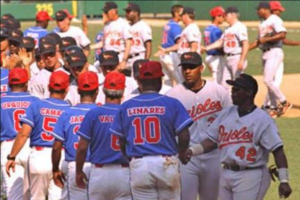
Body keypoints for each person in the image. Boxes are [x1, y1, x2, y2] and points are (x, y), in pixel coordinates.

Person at [186, 73, 292, 200]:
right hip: (226, 173)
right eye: (232, 89)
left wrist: (284, 180)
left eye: (236, 90)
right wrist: (191, 151)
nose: (232, 92)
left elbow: (277, 150)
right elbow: (211, 142)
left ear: (248, 92)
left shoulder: (263, 120)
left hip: (251, 175)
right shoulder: (226, 114)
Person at [110, 61, 193, 200]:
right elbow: (184, 134)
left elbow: (121, 141)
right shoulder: (172, 103)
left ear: (140, 81)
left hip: (139, 165)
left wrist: (130, 157)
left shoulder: (126, 106)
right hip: (166, 163)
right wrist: (182, 152)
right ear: (160, 80)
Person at [166, 52, 231, 200]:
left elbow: (230, 123)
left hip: (214, 156)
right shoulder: (172, 95)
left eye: (192, 67)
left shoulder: (219, 92)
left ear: (201, 68)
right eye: (185, 68)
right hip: (185, 159)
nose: (187, 71)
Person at [6, 71, 70, 200]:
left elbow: (24, 133)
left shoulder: (36, 105)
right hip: (60, 156)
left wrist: (12, 156)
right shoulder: (69, 108)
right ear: (67, 89)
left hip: (39, 156)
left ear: (48, 87)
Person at [76, 71, 131, 199]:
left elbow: (82, 147)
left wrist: (79, 171)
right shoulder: (129, 113)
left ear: (104, 90)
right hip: (124, 173)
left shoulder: (94, 114)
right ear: (122, 92)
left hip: (99, 173)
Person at [52, 71, 98, 200]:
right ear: (97, 91)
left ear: (78, 91)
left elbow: (56, 146)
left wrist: (55, 169)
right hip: (99, 166)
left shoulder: (67, 113)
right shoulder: (102, 112)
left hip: (74, 164)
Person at [1, 68, 38, 200]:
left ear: (9, 84)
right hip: (32, 147)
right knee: (35, 194)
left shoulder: (1, 101)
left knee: (14, 196)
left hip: (9, 147)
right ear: (26, 83)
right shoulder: (36, 101)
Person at [249, 2, 291, 118]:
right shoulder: (262, 23)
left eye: (259, 9)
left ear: (265, 9)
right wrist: (244, 50)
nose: (257, 12)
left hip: (274, 51)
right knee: (269, 81)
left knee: (268, 80)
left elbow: (282, 34)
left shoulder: (274, 19)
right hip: (265, 53)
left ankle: (284, 102)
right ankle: (273, 107)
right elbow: (258, 41)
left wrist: (268, 38)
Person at [260, 1, 299, 113]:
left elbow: (282, 38)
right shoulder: (267, 22)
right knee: (271, 81)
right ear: (271, 10)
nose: (279, 13)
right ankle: (271, 106)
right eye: (278, 10)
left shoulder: (273, 22)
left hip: (275, 54)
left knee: (272, 81)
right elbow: (283, 39)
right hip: (270, 54)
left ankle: (271, 105)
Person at [203, 6, 249, 84]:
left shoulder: (240, 27)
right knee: (224, 84)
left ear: (233, 15)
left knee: (238, 83)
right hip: (228, 59)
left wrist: (242, 60)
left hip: (236, 57)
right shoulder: (228, 29)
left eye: (226, 15)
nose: (224, 17)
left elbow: (245, 43)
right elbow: (220, 42)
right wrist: (206, 48)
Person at [156, 7, 202, 84]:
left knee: (186, 83)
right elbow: (179, 45)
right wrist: (166, 50)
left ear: (186, 15)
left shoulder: (192, 28)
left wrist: (190, 63)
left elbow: (194, 46)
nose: (181, 17)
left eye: (182, 15)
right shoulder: (187, 29)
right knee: (181, 83)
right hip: (184, 60)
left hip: (188, 62)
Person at [154, 4, 183, 86]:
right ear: (176, 13)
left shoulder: (168, 24)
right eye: (182, 12)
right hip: (171, 56)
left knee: (167, 83)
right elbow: (179, 44)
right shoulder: (176, 26)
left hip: (163, 56)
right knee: (180, 82)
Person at [102, 1, 132, 71]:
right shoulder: (107, 25)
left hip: (119, 56)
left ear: (114, 11)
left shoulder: (123, 24)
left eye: (107, 12)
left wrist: (124, 60)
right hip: (107, 57)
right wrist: (89, 47)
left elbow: (128, 43)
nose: (105, 14)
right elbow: (103, 43)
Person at [124, 2, 152, 77]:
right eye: (126, 11)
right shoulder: (126, 26)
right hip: (127, 60)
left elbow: (148, 45)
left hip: (139, 57)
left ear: (136, 13)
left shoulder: (143, 26)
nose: (126, 14)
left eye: (128, 11)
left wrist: (145, 61)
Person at [204, 6, 227, 85]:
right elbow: (219, 45)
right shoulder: (216, 30)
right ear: (216, 17)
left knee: (216, 79)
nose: (224, 18)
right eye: (222, 16)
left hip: (209, 57)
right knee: (218, 82)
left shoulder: (207, 28)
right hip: (216, 58)